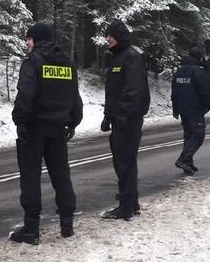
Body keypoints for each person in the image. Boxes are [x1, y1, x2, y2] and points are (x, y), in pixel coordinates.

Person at [9, 23, 83, 244]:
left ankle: (31, 228)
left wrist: (19, 120)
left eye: (28, 39)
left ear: (36, 39)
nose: (26, 44)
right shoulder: (67, 64)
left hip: (34, 128)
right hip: (58, 128)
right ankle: (67, 223)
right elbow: (74, 97)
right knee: (61, 175)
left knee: (31, 176)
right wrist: (73, 121)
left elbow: (26, 93)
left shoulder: (34, 61)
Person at [100, 20, 149, 221]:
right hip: (120, 118)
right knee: (124, 162)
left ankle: (126, 207)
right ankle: (131, 202)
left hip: (128, 120)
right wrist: (108, 116)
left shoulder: (131, 57)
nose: (107, 39)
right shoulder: (117, 57)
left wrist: (121, 115)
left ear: (118, 36)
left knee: (124, 163)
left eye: (109, 35)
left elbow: (133, 91)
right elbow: (115, 91)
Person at [171, 47, 210, 176]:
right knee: (198, 135)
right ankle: (183, 159)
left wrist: (176, 109)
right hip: (195, 109)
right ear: (199, 57)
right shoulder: (198, 72)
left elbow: (174, 92)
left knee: (189, 135)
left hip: (183, 109)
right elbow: (205, 92)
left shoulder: (179, 72)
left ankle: (188, 162)